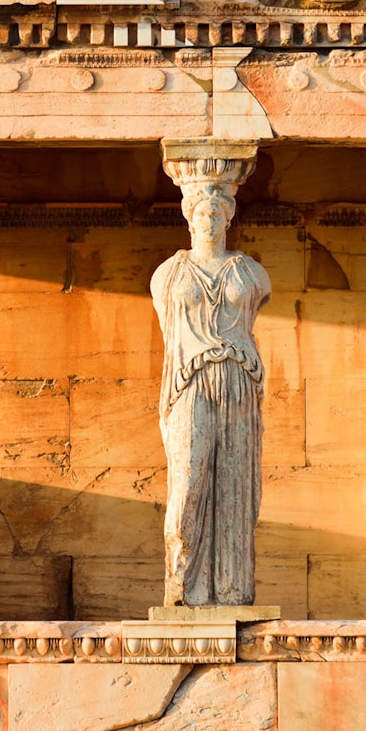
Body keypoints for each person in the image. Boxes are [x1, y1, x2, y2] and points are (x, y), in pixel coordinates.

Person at [150, 186, 271, 607]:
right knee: (188, 481)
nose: (210, 221)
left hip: (238, 379)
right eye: (203, 213)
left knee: (235, 484)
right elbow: (170, 333)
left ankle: (232, 591)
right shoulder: (169, 273)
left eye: (218, 213)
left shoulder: (250, 273)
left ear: (228, 218)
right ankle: (182, 587)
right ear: (190, 217)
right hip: (190, 380)